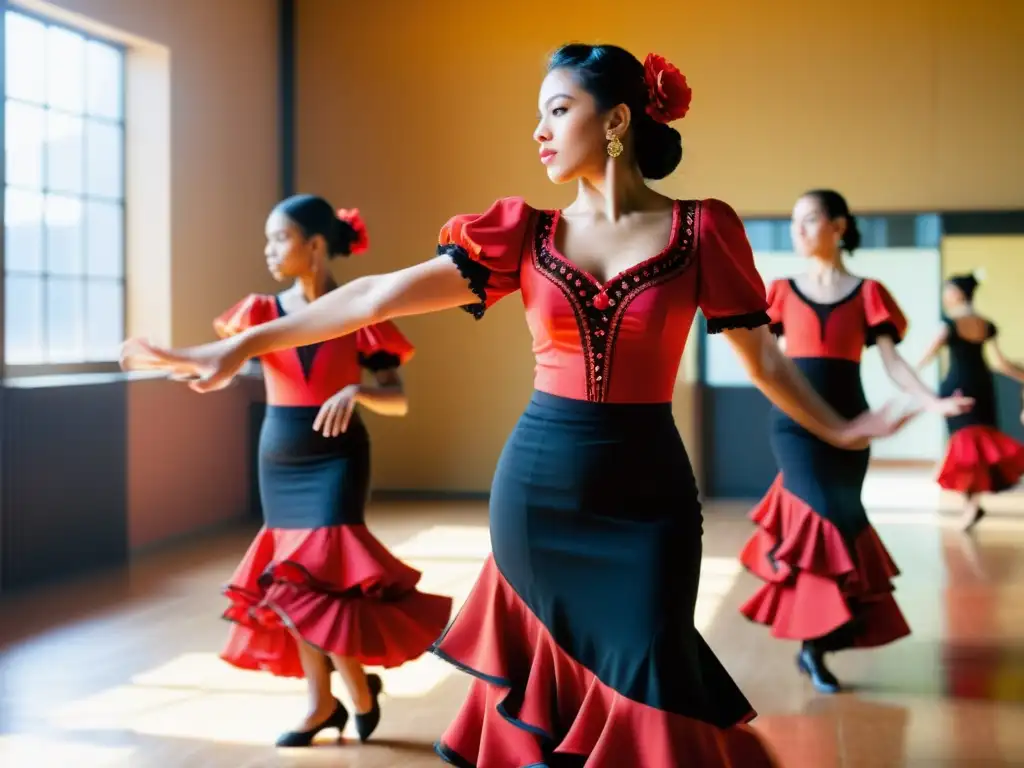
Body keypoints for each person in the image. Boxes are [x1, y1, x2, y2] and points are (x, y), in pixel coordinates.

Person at [121, 45, 915, 767]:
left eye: (557, 109)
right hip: (536, 495)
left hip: (651, 499)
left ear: (618, 121)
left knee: (652, 670)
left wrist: (844, 426)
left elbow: (765, 357)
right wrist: (235, 347)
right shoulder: (521, 235)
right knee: (547, 698)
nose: (538, 130)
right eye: (536, 114)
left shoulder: (702, 228)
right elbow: (372, 294)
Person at [187, 195, 453, 747]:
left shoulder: (359, 310)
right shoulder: (258, 313)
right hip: (280, 457)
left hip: (337, 455)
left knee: (324, 576)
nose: (267, 251)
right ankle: (328, 701)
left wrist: (358, 389)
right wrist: (163, 358)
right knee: (293, 581)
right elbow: (214, 360)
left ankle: (346, 693)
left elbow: (397, 398)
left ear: (313, 245)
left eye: (278, 239)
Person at [737, 189, 974, 695]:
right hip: (795, 425)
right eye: (794, 221)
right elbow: (772, 365)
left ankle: (818, 643)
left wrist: (933, 403)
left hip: (854, 420)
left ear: (839, 226)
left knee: (842, 520)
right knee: (816, 517)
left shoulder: (869, 292)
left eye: (810, 220)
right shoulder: (779, 290)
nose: (798, 230)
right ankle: (813, 644)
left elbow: (892, 363)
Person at [917, 271, 1024, 531]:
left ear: (958, 294)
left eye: (948, 290)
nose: (945, 296)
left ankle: (971, 505)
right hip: (983, 386)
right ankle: (972, 504)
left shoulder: (949, 325)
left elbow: (927, 356)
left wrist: (908, 377)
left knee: (964, 446)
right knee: (977, 445)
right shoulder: (986, 324)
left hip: (957, 387)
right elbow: (1001, 363)